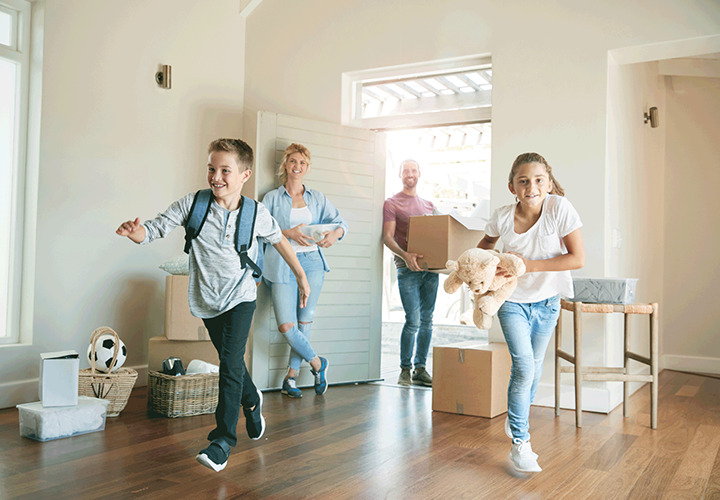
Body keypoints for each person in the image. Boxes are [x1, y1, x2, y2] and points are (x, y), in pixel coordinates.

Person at [115, 138, 310, 472]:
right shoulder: (195, 205)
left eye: (225, 170)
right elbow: (157, 226)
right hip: (207, 299)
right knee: (229, 361)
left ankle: (222, 440)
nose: (216, 176)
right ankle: (252, 398)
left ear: (245, 174)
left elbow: (280, 242)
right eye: (211, 169)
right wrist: (139, 233)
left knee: (231, 361)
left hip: (241, 296)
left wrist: (302, 278)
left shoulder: (256, 213)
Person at [477, 152, 584, 473]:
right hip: (511, 301)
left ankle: (515, 415)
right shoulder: (502, 216)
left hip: (548, 300)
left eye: (538, 180)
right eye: (523, 181)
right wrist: (489, 266)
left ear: (549, 184)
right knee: (524, 367)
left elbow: (577, 258)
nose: (531, 186)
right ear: (512, 186)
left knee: (535, 367)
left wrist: (524, 266)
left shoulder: (559, 209)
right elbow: (483, 247)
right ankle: (520, 443)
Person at [261, 143, 345, 398]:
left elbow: (340, 223)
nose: (297, 167)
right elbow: (260, 229)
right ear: (285, 165)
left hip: (312, 264)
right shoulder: (272, 198)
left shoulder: (317, 198)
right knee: (287, 326)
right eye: (293, 161)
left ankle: (291, 378)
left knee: (304, 322)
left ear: (307, 168)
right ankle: (318, 363)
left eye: (303, 163)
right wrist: (288, 233)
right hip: (281, 264)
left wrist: (335, 235)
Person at [382, 159, 438, 387]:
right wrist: (405, 255)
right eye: (406, 170)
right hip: (407, 269)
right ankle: (405, 369)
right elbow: (387, 237)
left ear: (419, 174)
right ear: (400, 174)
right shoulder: (392, 203)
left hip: (430, 270)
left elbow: (443, 231)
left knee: (427, 321)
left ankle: (420, 369)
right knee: (412, 320)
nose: (410, 174)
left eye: (413, 170)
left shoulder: (429, 205)